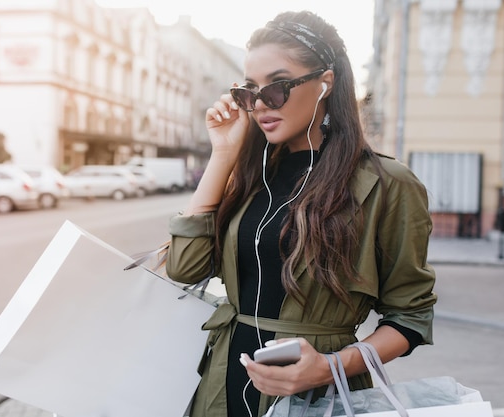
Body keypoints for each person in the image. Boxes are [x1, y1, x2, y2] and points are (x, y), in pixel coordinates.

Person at [165, 10, 437, 417]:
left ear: (324, 82)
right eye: (248, 92)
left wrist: (329, 367)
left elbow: (411, 316)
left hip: (317, 396)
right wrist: (223, 153)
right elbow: (184, 268)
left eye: (276, 88)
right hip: (223, 386)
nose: (259, 105)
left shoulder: (386, 183)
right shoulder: (253, 174)